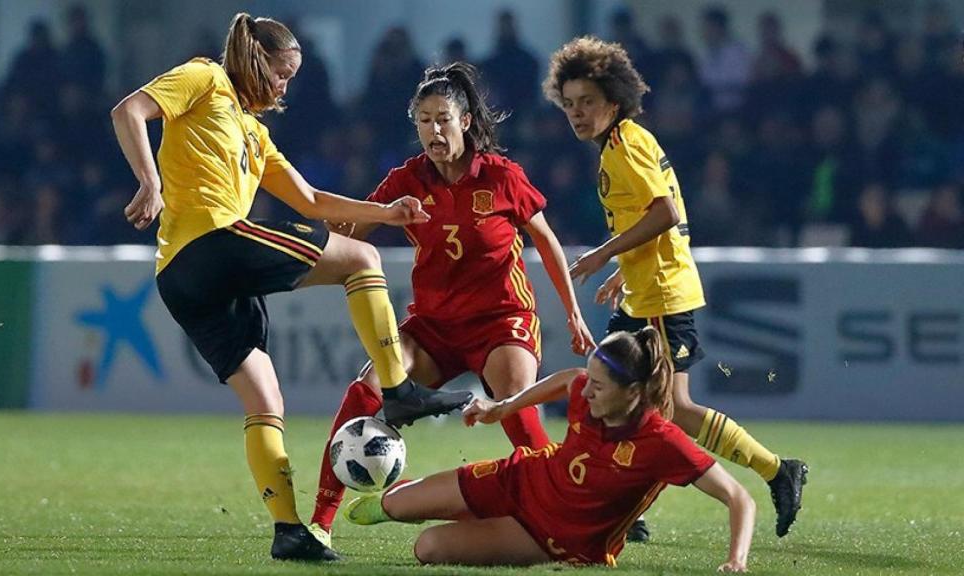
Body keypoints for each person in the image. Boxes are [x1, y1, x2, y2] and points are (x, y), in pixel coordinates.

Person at [109, 13, 473, 562]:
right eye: (282, 73)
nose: (284, 86)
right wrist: (149, 180)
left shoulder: (255, 135)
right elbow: (129, 110)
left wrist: (387, 212)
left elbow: (312, 201)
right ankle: (397, 391)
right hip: (212, 242)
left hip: (181, 280)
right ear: (255, 58)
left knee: (265, 400)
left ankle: (289, 532)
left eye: (290, 77)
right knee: (362, 258)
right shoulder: (205, 77)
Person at [309, 62, 596, 545]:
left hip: (501, 322)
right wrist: (356, 222)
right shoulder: (407, 180)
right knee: (365, 391)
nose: (433, 130)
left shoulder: (502, 177)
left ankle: (569, 505)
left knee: (513, 405)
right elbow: (354, 232)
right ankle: (319, 523)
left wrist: (571, 310)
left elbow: (545, 241)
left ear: (464, 121)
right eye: (424, 120)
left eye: (443, 118)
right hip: (434, 329)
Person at [542, 36, 808, 541]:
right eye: (569, 104)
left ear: (613, 103)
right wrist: (626, 270)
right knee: (616, 394)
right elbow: (665, 215)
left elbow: (663, 212)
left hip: (664, 296)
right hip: (647, 290)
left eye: (588, 103)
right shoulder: (624, 143)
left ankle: (776, 471)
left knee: (671, 409)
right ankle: (629, 510)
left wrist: (603, 255)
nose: (577, 114)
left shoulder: (623, 147)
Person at [344, 328, 756, 571]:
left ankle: (474, 517)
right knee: (395, 504)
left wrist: (736, 561)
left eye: (599, 386)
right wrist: (500, 407)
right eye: (590, 380)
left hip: (551, 536)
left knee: (428, 548)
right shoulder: (586, 390)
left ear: (632, 392)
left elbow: (739, 498)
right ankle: (430, 505)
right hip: (522, 478)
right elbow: (567, 379)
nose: (587, 391)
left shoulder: (662, 442)